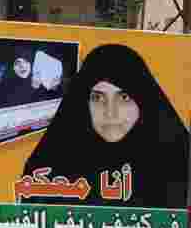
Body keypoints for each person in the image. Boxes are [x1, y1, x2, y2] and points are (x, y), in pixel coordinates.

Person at [20, 44, 189, 209]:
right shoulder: (47, 169)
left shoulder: (178, 160)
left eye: (123, 97)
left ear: (144, 100)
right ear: (83, 104)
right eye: (98, 98)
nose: (110, 113)